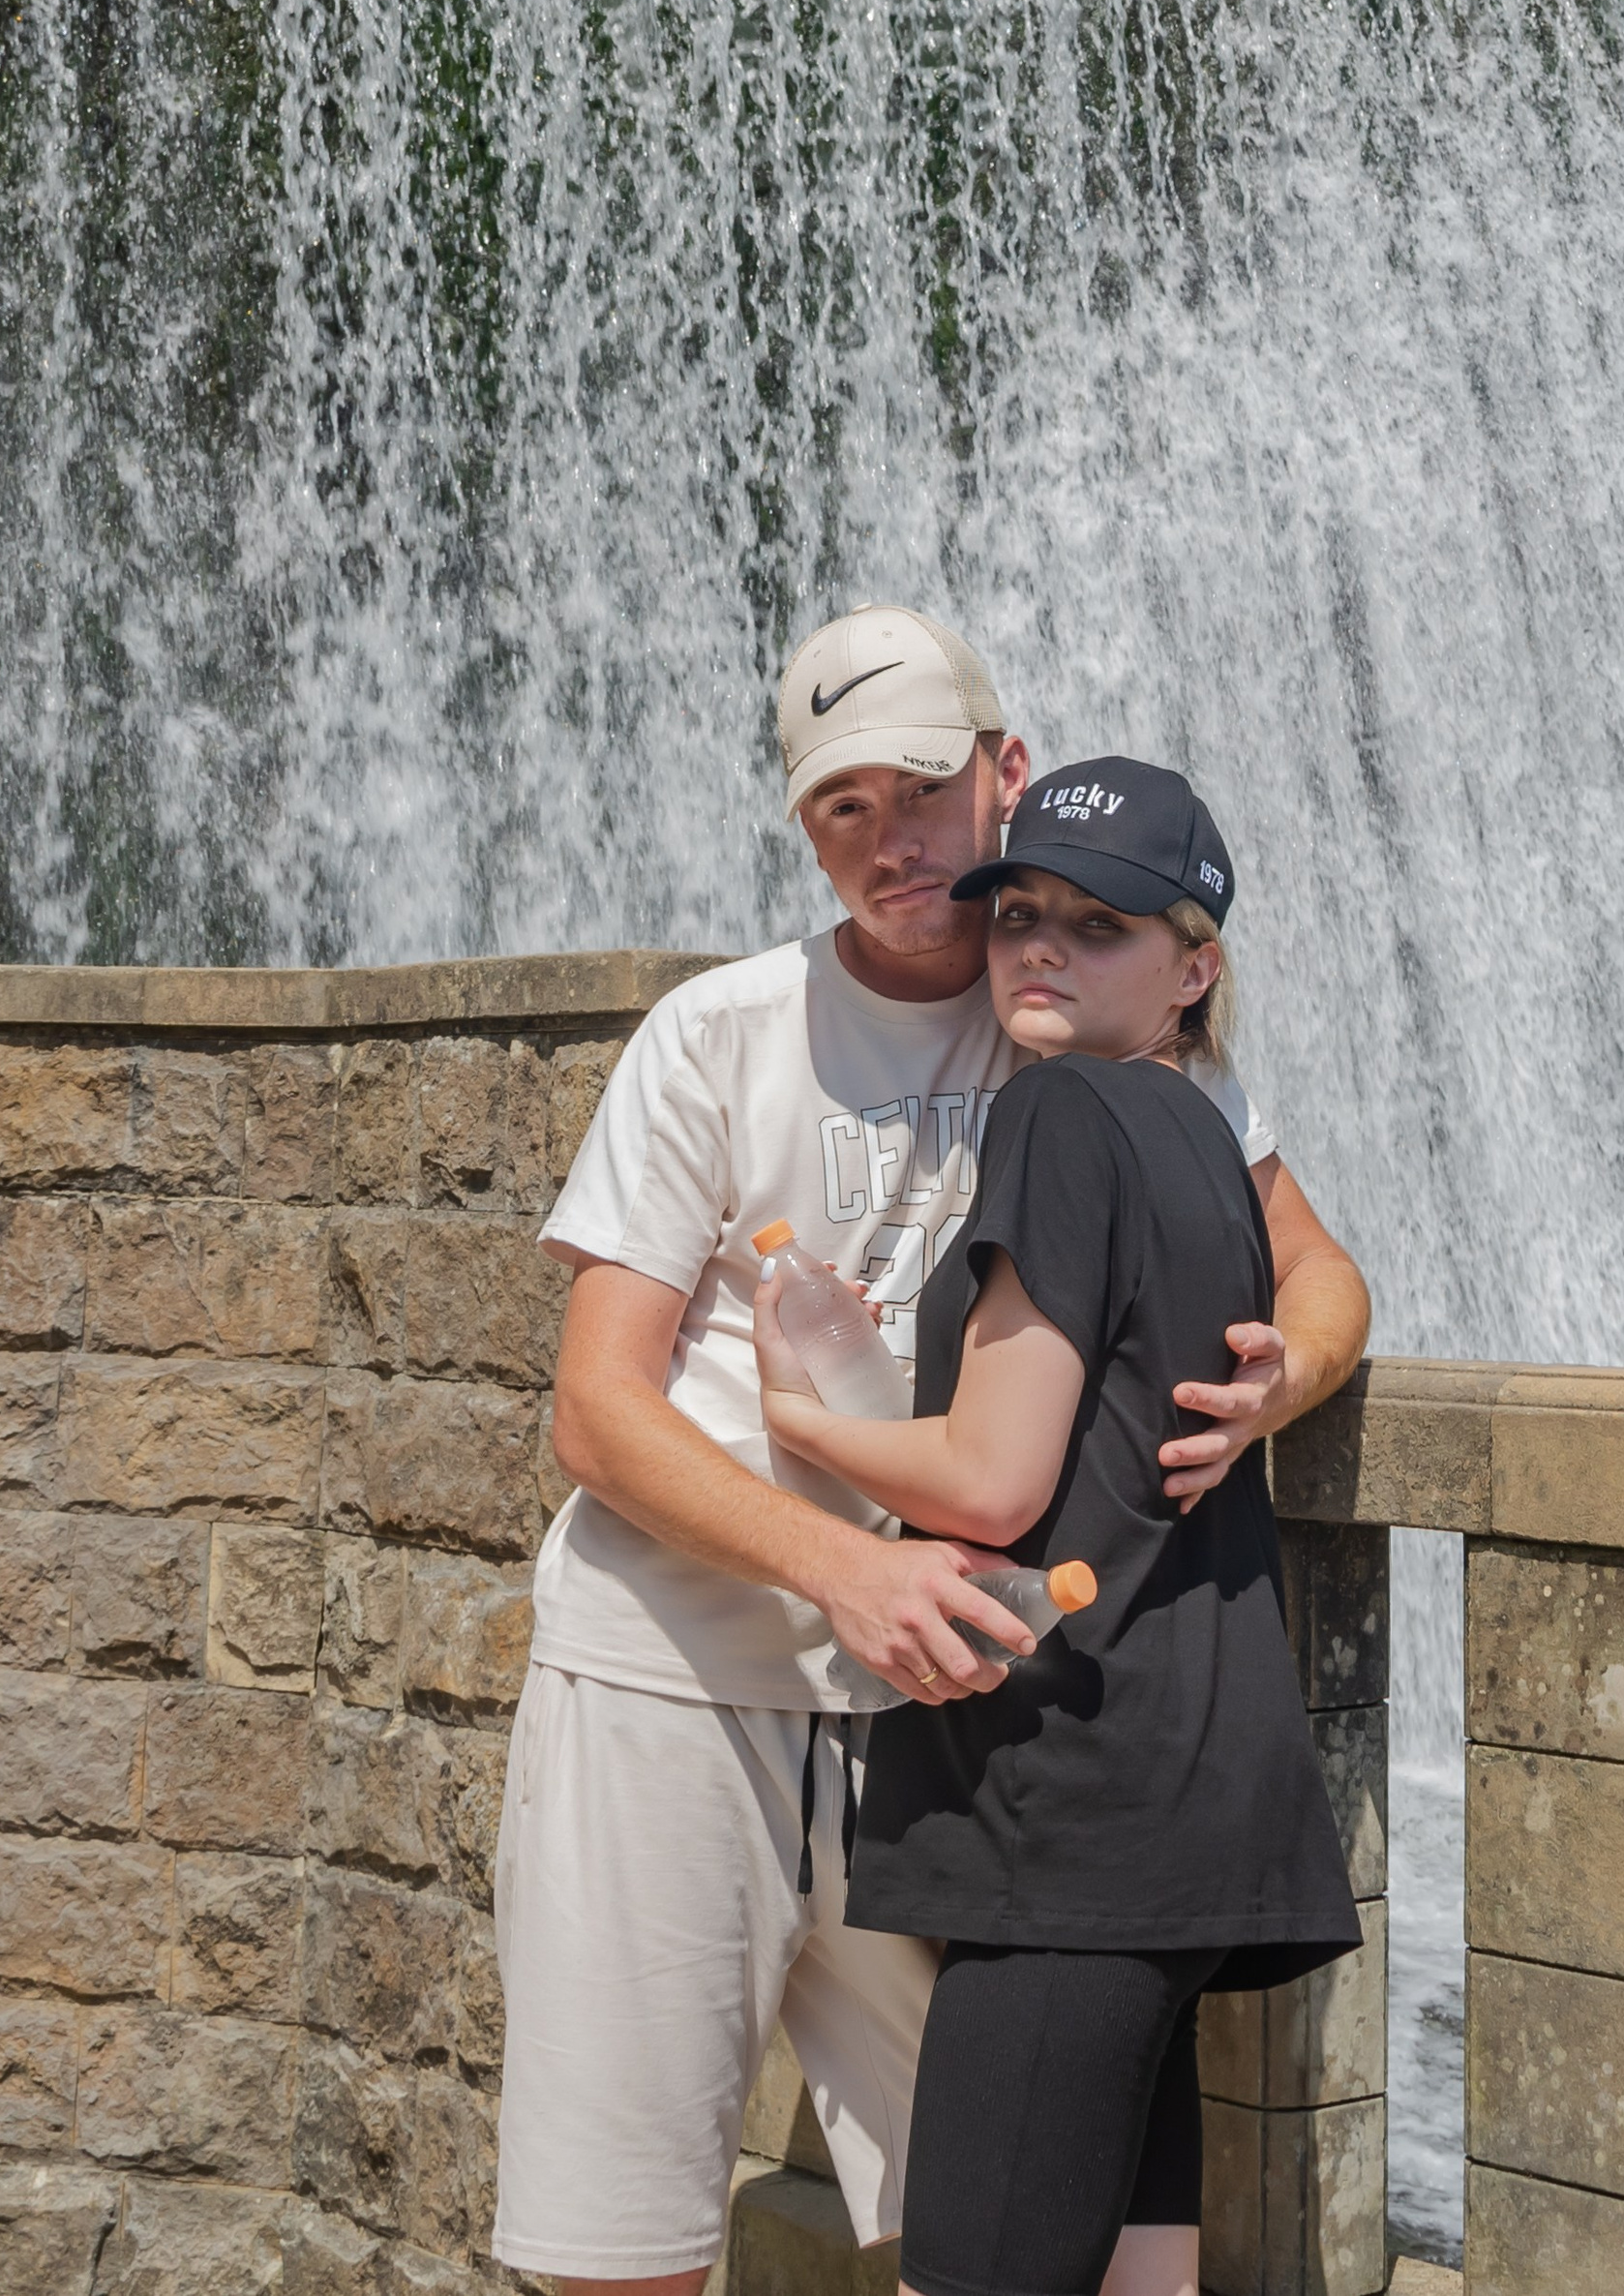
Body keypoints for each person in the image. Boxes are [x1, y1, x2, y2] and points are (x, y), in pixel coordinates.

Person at [491, 609, 1371, 2296]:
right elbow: (596, 1412)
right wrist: (846, 1563)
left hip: (961, 1743)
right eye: (842, 812)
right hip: (681, 1691)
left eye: (921, 789)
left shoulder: (1076, 1008)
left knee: (1000, 2238)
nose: (892, 843)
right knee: (622, 2260)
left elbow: (1318, 1266)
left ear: (1004, 770)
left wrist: (1286, 1378)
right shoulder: (721, 1034)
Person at [759, 756, 1362, 2296]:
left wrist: (807, 1419)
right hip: (1189, 1792)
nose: (1040, 946)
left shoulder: (1062, 1115)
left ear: (1192, 965)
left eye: (1097, 926)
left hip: (1071, 1805)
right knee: (1138, 2276)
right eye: (1019, 910)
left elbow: (992, 1478)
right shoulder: (1199, 1135)